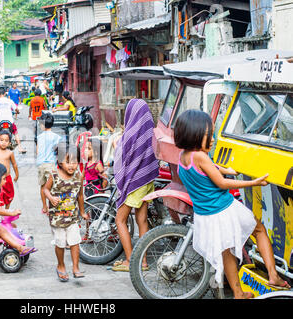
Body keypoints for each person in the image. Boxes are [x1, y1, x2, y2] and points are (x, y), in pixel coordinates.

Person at [174, 109, 291, 298]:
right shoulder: (201, 156)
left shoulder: (183, 157)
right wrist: (253, 182)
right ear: (193, 135)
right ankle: (274, 275)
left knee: (225, 251)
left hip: (206, 216)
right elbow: (222, 182)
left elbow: (211, 169)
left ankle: (238, 293)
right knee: (259, 229)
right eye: (208, 136)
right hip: (224, 209)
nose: (212, 140)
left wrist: (229, 169)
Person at [112, 99, 159, 272]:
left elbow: (121, 155)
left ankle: (130, 260)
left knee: (120, 219)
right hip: (146, 180)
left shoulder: (131, 134)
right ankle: (143, 262)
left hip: (135, 184)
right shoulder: (150, 133)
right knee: (142, 220)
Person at [42, 142, 89, 282]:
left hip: (73, 217)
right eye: (67, 161)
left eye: (74, 162)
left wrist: (82, 212)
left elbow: (80, 195)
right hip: (57, 218)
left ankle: (75, 268)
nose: (71, 165)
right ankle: (61, 265)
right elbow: (45, 189)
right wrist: (50, 198)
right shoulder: (54, 175)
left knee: (75, 241)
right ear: (59, 161)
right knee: (60, 243)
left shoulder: (78, 176)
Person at [36, 113, 62, 214]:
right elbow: (58, 153)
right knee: (53, 186)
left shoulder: (39, 137)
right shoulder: (57, 137)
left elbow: (38, 151)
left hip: (41, 164)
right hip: (52, 164)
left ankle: (44, 206)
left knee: (43, 186)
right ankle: (53, 205)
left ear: (42, 124)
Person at [0, 87, 26, 153]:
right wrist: (17, 112)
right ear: (5, 93)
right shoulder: (10, 101)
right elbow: (16, 109)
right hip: (10, 121)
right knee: (15, 132)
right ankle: (20, 148)